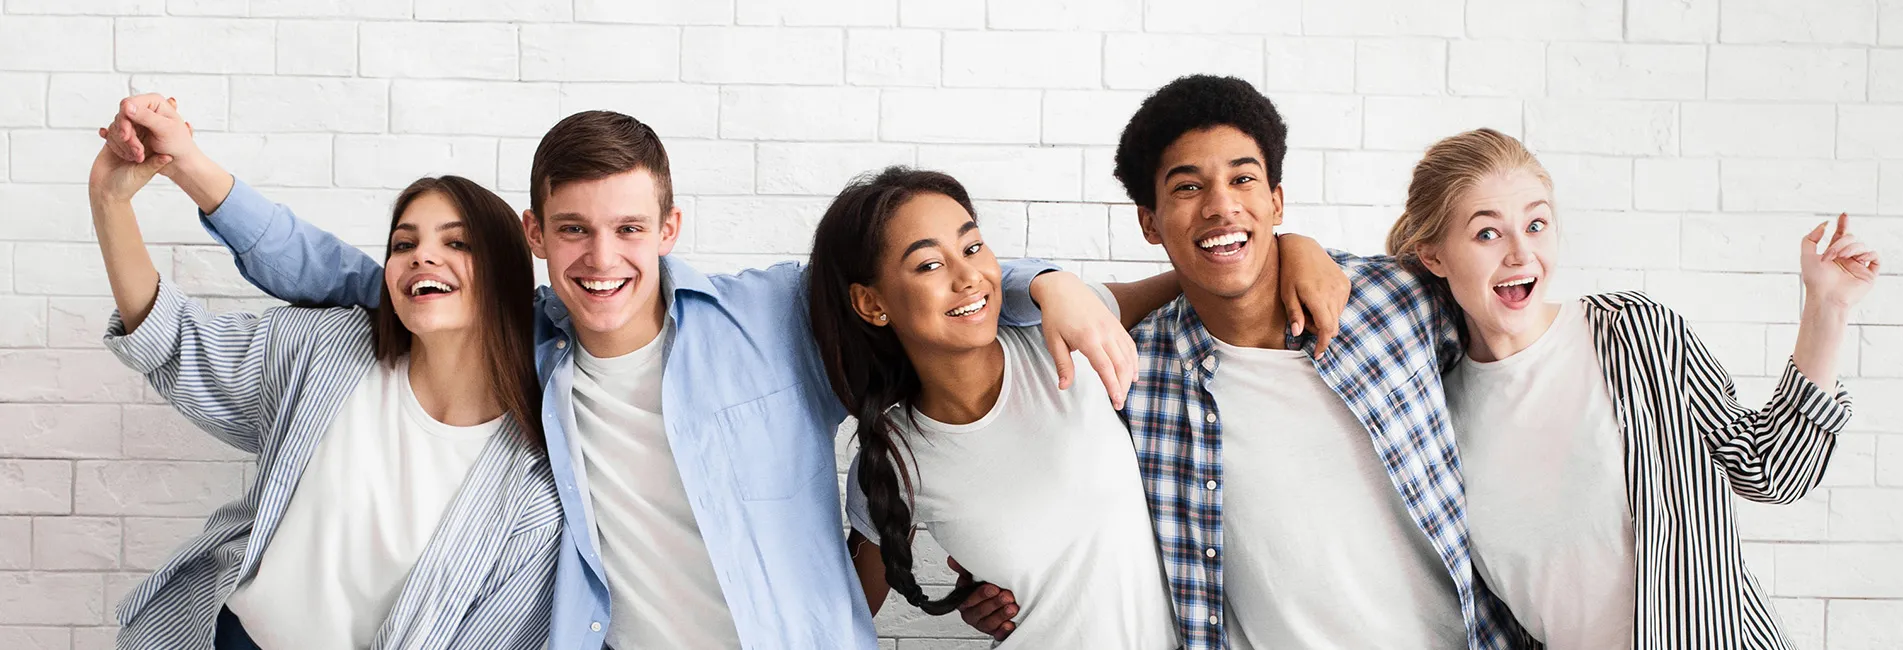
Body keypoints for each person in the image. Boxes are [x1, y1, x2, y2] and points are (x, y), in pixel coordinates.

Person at [99, 95, 1142, 650]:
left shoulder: (769, 315)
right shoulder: (523, 342)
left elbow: (910, 280)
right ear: (536, 236)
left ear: (670, 226)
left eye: (630, 227)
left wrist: (1043, 278)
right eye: (576, 231)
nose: (605, 258)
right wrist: (191, 169)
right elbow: (340, 273)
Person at [959, 74, 1535, 650]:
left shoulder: (1394, 299)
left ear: (1276, 200)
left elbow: (1522, 353)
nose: (1221, 205)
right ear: (1149, 221)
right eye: (1187, 188)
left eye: (1243, 179)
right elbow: (972, 316)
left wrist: (1298, 246)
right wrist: (999, 574)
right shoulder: (1132, 377)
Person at [808, 167, 1347, 648]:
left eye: (973, 248)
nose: (967, 275)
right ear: (871, 303)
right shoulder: (894, 456)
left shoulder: (1068, 336)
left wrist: (1295, 245)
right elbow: (834, 618)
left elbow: (1207, 278)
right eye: (928, 265)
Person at [1387, 128, 1877, 649]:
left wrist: (1828, 307)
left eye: (1536, 225)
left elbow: (1772, 472)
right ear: (1434, 257)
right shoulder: (1433, 410)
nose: (1520, 253)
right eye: (1488, 233)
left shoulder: (1636, 334)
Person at [86, 133, 560, 647]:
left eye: (457, 242)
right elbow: (175, 340)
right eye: (405, 244)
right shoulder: (328, 350)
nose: (423, 256)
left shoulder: (535, 479)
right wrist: (110, 200)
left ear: (506, 271)